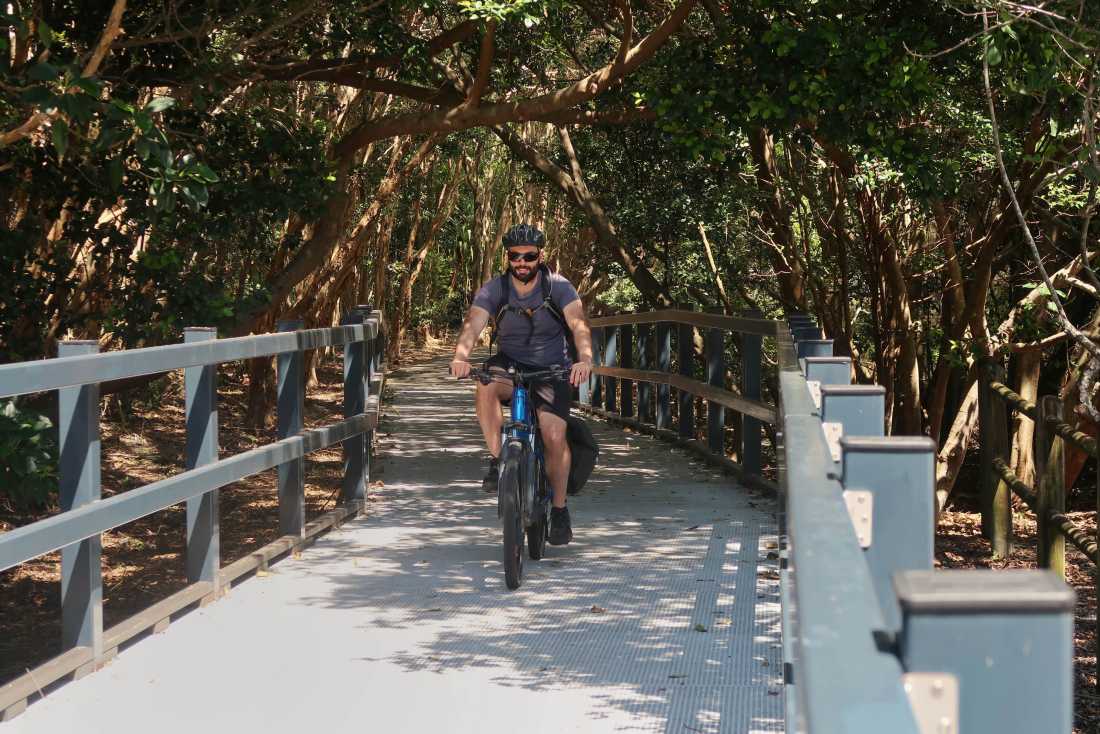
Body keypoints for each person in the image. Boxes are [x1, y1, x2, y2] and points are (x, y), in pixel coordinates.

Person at [450, 223, 593, 545]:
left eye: (529, 256)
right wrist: (460, 355)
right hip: (510, 363)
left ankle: (559, 510)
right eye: (516, 256)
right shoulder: (495, 289)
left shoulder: (558, 287)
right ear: (508, 257)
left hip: (553, 368)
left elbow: (578, 323)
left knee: (554, 434)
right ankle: (500, 459)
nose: (522, 263)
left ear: (540, 256)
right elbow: (473, 323)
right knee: (485, 384)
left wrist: (584, 358)